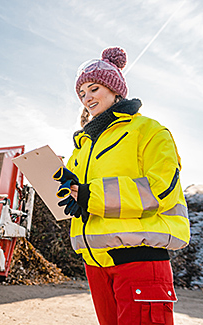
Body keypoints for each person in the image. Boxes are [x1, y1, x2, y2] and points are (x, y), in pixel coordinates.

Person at [54, 47, 190, 324]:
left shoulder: (150, 131)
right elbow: (86, 197)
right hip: (95, 262)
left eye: (94, 88)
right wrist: (70, 189)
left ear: (116, 89)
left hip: (139, 260)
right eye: (82, 94)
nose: (87, 98)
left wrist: (90, 195)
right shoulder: (84, 145)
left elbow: (158, 189)